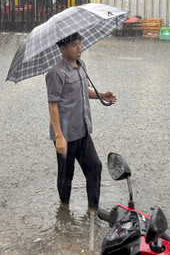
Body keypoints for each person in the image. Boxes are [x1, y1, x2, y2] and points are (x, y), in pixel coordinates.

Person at [45, 32, 117, 211]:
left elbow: (84, 90)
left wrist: (102, 96)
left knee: (95, 167)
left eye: (80, 43)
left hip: (82, 130)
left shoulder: (81, 66)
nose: (79, 48)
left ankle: (93, 209)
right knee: (65, 176)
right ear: (62, 49)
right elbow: (53, 105)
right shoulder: (56, 73)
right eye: (74, 45)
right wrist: (59, 137)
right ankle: (64, 210)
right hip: (65, 134)